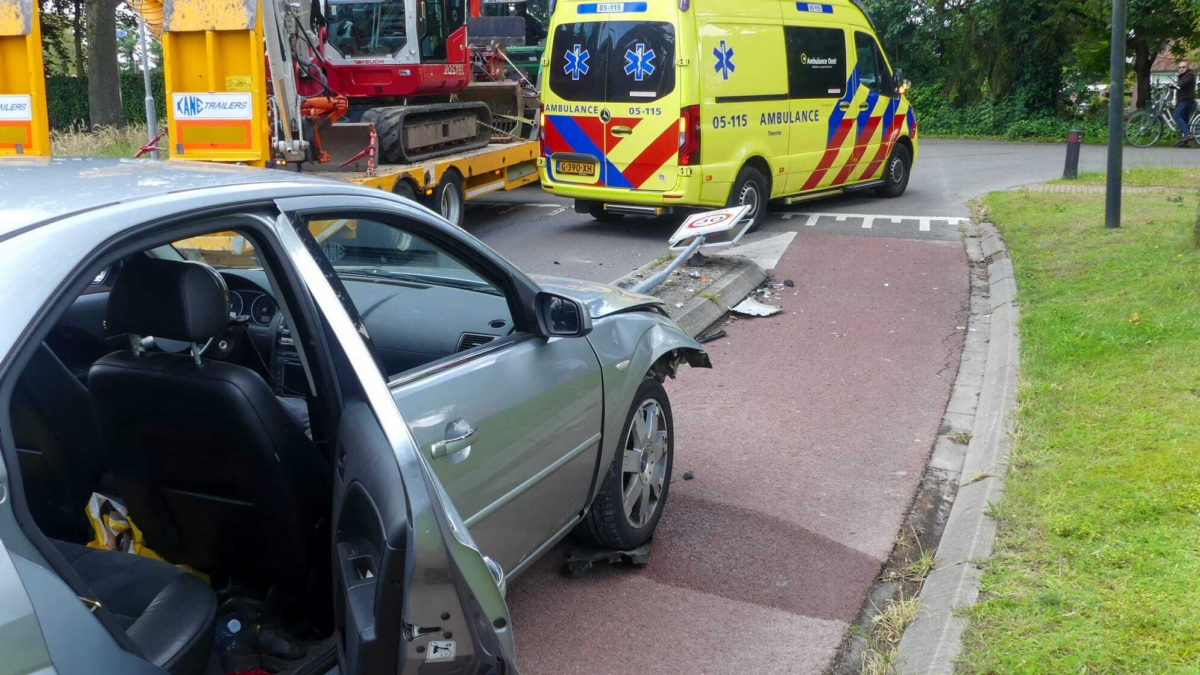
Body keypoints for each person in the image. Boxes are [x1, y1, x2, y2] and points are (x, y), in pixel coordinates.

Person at [1171, 61, 1195, 147]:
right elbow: (1179, 86)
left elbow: (1182, 84)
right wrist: (1171, 85)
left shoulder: (1190, 75)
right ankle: (1184, 142)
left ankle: (1188, 134)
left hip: (1186, 100)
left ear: (1187, 67)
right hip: (1183, 100)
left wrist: (1175, 84)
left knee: (1176, 117)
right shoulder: (1182, 77)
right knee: (1184, 121)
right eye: (1179, 67)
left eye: (1183, 67)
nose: (1181, 69)